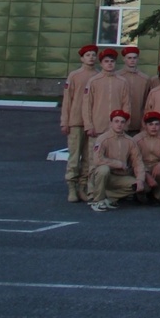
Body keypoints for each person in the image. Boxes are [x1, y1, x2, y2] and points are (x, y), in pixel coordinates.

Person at [60, 44, 99, 203]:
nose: (91, 57)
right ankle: (71, 187)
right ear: (82, 58)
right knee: (74, 156)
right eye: (87, 55)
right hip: (76, 121)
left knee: (89, 157)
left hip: (92, 122)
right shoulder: (74, 76)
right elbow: (67, 100)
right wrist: (65, 121)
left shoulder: (98, 76)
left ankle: (83, 186)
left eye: (93, 55)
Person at [85, 109, 144, 212]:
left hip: (120, 177)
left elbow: (138, 162)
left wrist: (140, 179)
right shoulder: (102, 139)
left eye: (122, 122)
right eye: (116, 121)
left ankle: (108, 198)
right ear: (111, 123)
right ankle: (97, 201)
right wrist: (118, 164)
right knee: (104, 169)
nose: (119, 124)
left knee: (138, 186)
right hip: (102, 176)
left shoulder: (130, 141)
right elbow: (97, 160)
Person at [81, 48, 131, 147]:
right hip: (97, 127)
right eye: (106, 61)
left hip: (116, 128)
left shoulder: (122, 81)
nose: (109, 64)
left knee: (114, 156)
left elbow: (126, 105)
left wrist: (125, 124)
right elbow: (87, 105)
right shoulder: (93, 81)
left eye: (112, 61)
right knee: (94, 158)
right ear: (101, 64)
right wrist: (89, 125)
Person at [133, 111, 160, 204]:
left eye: (157, 124)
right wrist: (146, 174)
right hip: (142, 166)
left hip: (156, 165)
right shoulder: (137, 139)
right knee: (145, 188)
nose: (154, 127)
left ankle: (156, 196)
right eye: (150, 124)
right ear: (145, 125)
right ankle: (142, 195)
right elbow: (135, 160)